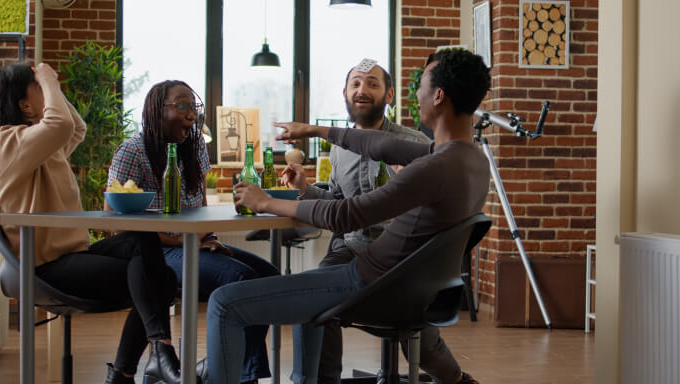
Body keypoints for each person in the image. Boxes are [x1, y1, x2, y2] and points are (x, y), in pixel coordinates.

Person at [206, 48, 491, 384]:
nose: (417, 94)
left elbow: (347, 215)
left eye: (422, 85)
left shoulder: (434, 167)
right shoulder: (470, 159)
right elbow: (378, 145)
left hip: (370, 283)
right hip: (408, 286)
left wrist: (267, 202)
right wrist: (314, 130)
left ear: (438, 95)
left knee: (224, 303)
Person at [0, 63, 181, 384]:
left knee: (144, 242)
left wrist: (50, 86)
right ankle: (149, 358)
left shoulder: (37, 146)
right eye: (38, 89)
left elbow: (74, 128)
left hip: (69, 257)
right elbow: (60, 125)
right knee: (160, 279)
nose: (47, 91)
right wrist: (47, 78)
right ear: (24, 105)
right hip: (42, 267)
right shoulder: (7, 143)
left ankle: (143, 361)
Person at [107, 79, 279, 384]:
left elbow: (199, 203)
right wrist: (176, 240)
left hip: (192, 243)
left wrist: (208, 237)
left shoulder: (195, 145)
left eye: (194, 107)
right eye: (182, 106)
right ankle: (236, 375)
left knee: (268, 277)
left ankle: (221, 368)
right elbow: (114, 220)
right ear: (158, 110)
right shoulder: (132, 150)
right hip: (156, 251)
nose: (191, 115)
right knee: (241, 278)